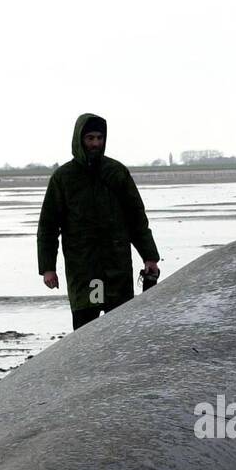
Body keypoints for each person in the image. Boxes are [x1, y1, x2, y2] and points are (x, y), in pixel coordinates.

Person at [37, 113, 161, 330]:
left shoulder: (117, 172)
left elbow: (137, 218)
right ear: (79, 140)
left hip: (117, 268)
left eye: (99, 138)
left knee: (121, 333)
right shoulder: (63, 178)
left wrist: (150, 257)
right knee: (85, 332)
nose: (95, 143)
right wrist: (48, 268)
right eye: (90, 138)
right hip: (83, 269)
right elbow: (48, 226)